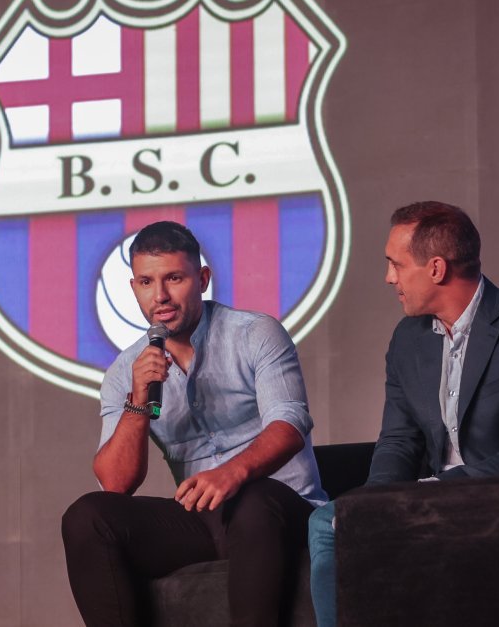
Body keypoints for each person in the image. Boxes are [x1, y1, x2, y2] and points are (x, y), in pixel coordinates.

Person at [308, 201, 499, 627]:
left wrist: (430, 490)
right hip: (431, 499)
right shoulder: (407, 338)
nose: (389, 278)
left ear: (436, 268)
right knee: (330, 523)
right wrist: (374, 505)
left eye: (396, 265)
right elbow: (398, 441)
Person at [61, 221, 327, 627]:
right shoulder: (125, 371)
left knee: (251, 501)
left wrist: (232, 473)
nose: (161, 296)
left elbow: (289, 424)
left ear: (201, 279)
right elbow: (116, 484)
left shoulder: (256, 334)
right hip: (203, 518)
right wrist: (138, 402)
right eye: (147, 282)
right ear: (134, 289)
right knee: (88, 516)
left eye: (174, 278)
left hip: (279, 507)